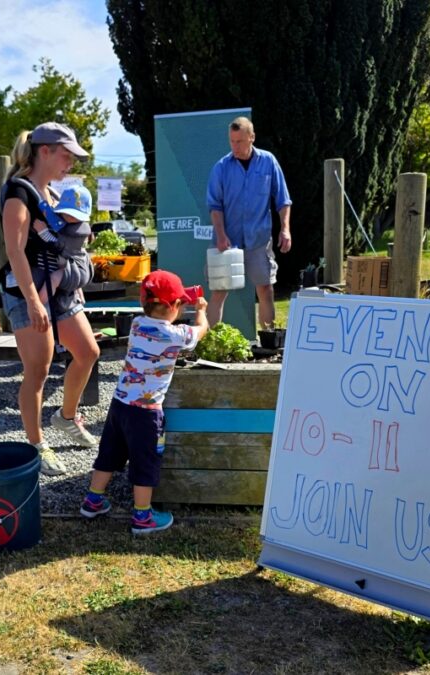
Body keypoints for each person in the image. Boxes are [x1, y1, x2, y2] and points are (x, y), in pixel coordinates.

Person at [0, 123, 100, 477]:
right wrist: (32, 300)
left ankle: (66, 417)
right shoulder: (19, 192)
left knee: (88, 352)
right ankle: (36, 444)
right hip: (28, 290)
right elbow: (15, 251)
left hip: (59, 291)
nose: (70, 163)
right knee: (38, 370)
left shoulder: (53, 193)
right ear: (45, 151)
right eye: (66, 154)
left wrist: (74, 283)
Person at [79, 270, 209, 534]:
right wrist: (201, 310)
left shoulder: (138, 324)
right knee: (144, 461)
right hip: (146, 414)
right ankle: (142, 517)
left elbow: (161, 322)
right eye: (180, 303)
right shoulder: (175, 335)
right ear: (173, 306)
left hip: (120, 405)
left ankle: (93, 501)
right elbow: (200, 331)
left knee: (109, 454)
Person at [205, 116, 293, 329]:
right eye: (232, 141)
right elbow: (214, 205)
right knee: (218, 291)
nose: (235, 146)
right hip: (227, 240)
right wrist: (222, 235)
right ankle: (207, 345)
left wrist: (285, 229)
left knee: (265, 289)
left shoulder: (268, 161)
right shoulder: (221, 167)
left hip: (258, 239)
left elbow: (283, 199)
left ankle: (269, 340)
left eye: (240, 141)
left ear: (252, 138)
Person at [29, 183, 94, 309]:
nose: (69, 217)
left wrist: (43, 231)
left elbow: (57, 246)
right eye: (66, 213)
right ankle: (79, 295)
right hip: (76, 265)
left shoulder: (76, 232)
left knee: (54, 279)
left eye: (75, 215)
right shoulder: (75, 225)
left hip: (78, 271)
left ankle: (38, 305)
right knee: (70, 275)